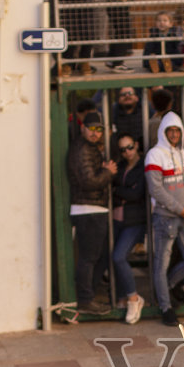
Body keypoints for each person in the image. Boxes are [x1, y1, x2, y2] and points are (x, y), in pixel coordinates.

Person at [145, 111, 184, 325]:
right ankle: (166, 307)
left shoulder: (183, 154)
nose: (175, 134)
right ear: (163, 132)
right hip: (165, 218)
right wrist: (180, 208)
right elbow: (156, 190)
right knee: (161, 262)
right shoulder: (154, 155)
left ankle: (166, 287)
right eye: (171, 130)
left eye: (178, 130)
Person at [67, 114, 116, 315]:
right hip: (88, 209)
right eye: (92, 129)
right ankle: (86, 299)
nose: (95, 133)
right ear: (82, 128)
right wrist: (108, 172)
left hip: (94, 208)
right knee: (89, 257)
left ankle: (90, 294)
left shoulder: (88, 148)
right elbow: (88, 181)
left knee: (99, 255)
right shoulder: (82, 149)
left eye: (99, 130)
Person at [109, 132, 148, 322]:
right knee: (113, 257)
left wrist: (119, 191)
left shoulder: (143, 166)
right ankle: (123, 296)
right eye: (123, 149)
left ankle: (134, 298)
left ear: (137, 144)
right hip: (118, 219)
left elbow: (137, 194)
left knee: (118, 256)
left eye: (130, 147)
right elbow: (113, 190)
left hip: (135, 221)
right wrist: (123, 192)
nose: (127, 152)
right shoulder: (122, 165)